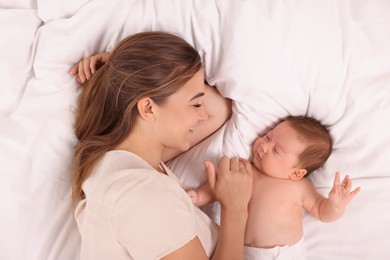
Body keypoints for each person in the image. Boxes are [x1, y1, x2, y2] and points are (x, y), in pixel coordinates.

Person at [70, 31, 253, 260]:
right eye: (196, 104)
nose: (203, 113)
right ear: (148, 109)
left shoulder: (121, 162)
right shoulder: (142, 194)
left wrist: (121, 75)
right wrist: (235, 210)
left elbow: (220, 111)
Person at [187, 116, 361, 260]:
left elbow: (322, 211)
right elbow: (221, 188)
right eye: (268, 137)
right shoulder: (246, 170)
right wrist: (198, 196)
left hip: (283, 254)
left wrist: (335, 206)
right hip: (239, 251)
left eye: (276, 151)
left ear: (296, 173)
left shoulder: (300, 186)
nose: (264, 147)